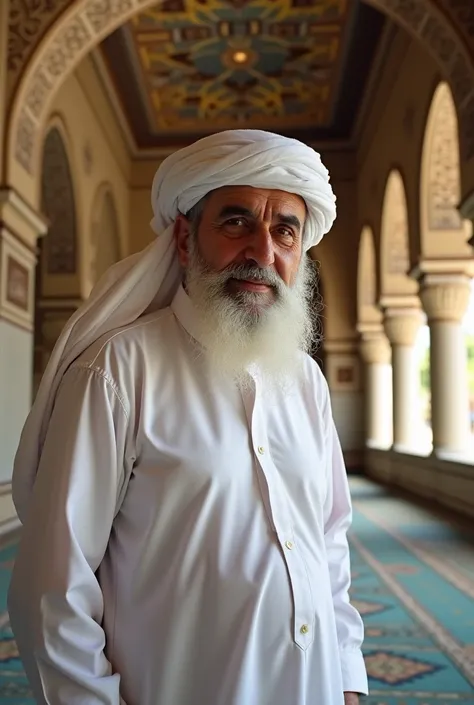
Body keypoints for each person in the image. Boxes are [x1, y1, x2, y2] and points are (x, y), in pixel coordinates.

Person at [8, 129, 368, 705]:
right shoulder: (119, 370)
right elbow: (54, 588)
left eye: (284, 230)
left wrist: (347, 678)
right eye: (235, 222)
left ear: (300, 253)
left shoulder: (306, 381)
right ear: (183, 238)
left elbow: (328, 540)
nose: (261, 250)